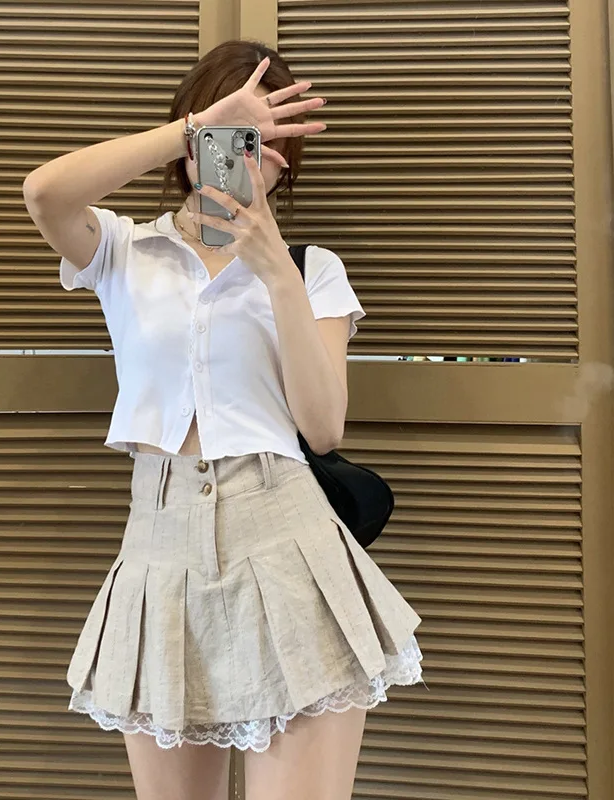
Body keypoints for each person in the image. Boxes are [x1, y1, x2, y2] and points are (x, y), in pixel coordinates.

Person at [24, 39, 423, 800]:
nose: (252, 152)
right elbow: (44, 193)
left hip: (285, 535)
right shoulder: (124, 250)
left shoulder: (312, 270)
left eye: (270, 138)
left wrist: (275, 273)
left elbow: (324, 428)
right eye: (236, 132)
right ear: (196, 138)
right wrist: (194, 126)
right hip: (158, 547)